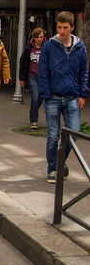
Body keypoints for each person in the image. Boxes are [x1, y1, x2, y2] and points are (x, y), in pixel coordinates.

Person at [38, 11, 88, 183]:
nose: (62, 31)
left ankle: (60, 162)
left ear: (72, 28)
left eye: (65, 28)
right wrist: (45, 94)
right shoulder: (49, 46)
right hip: (53, 96)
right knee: (53, 135)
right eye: (59, 27)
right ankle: (52, 169)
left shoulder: (80, 47)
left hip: (72, 96)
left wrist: (83, 94)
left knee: (73, 133)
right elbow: (42, 72)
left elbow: (83, 73)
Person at [19, 28, 46, 129]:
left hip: (43, 76)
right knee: (35, 96)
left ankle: (32, 111)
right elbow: (23, 62)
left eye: (41, 37)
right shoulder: (29, 47)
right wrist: (21, 78)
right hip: (32, 75)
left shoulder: (46, 47)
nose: (40, 39)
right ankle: (34, 120)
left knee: (42, 96)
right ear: (34, 37)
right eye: (38, 37)